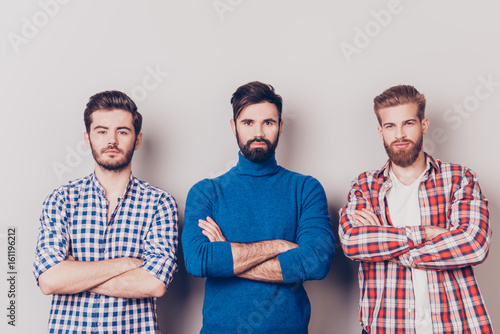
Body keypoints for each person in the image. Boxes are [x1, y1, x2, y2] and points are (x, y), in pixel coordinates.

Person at [182, 81, 335, 334]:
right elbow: (199, 260)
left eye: (268, 122)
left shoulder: (305, 188)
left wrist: (228, 255)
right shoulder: (206, 191)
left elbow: (316, 262)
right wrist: (278, 246)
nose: (259, 132)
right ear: (234, 127)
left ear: (281, 127)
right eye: (248, 122)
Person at [339, 85, 493, 333]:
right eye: (390, 126)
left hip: (454, 325)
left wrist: (391, 246)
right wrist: (430, 233)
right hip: (387, 325)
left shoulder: (459, 179)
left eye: (408, 123)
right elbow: (352, 242)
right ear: (381, 131)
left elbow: (474, 244)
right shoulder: (364, 186)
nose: (400, 134)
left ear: (424, 125)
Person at [33, 91, 178, 333]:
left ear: (138, 140)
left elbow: (155, 283)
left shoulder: (160, 203)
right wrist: (125, 264)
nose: (112, 140)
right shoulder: (61, 200)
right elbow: (49, 280)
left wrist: (74, 275)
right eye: (101, 131)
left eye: (122, 131)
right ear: (88, 139)